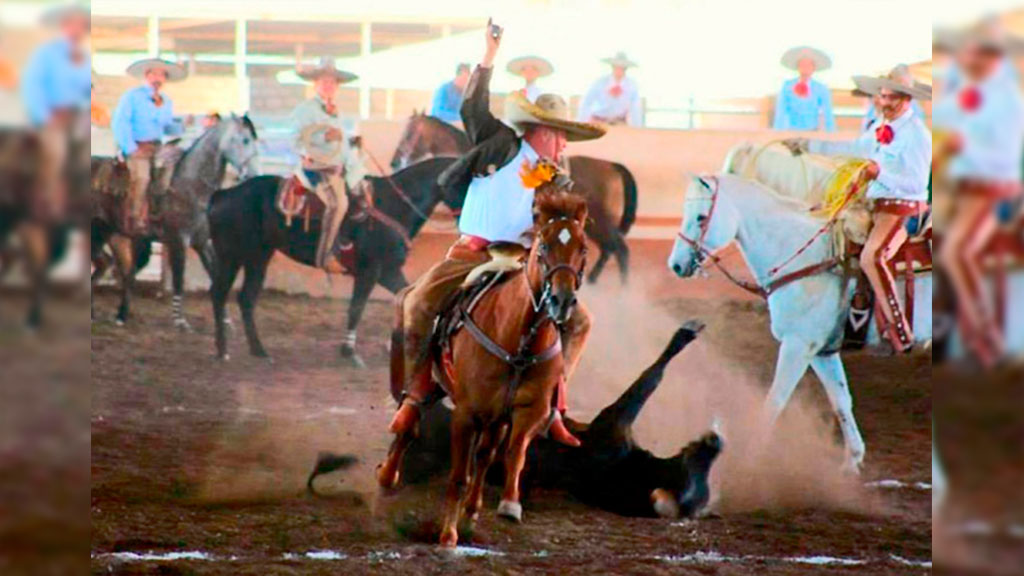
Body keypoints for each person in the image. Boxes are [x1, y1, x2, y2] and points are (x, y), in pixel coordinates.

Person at [388, 22, 606, 447]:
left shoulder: (555, 179)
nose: (564, 147)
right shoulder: (500, 142)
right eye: (562, 137)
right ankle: (415, 395)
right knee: (417, 305)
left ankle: (552, 404)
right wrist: (488, 56)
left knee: (578, 322)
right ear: (543, 132)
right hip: (474, 254)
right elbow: (472, 110)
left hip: (525, 265)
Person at [784, 64, 931, 353]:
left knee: (872, 257)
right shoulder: (882, 127)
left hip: (903, 210)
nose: (885, 103)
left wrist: (879, 174)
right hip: (877, 204)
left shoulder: (917, 134)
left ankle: (901, 333)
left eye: (892, 98)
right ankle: (848, 315)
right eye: (883, 96)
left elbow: (915, 183)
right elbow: (855, 147)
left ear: (907, 100)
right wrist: (809, 145)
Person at [936, 19, 1024, 367]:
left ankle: (983, 333)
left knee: (959, 252)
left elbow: (1002, 154)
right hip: (973, 186)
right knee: (953, 251)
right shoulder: (979, 94)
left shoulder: (1005, 100)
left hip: (992, 187)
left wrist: (960, 146)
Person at [289, 56, 369, 269]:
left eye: (333, 82)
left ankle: (346, 243)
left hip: (340, 168)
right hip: (317, 168)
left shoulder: (336, 111)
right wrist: (323, 139)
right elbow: (295, 140)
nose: (329, 86)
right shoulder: (304, 110)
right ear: (315, 84)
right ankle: (324, 256)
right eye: (324, 82)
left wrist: (351, 143)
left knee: (364, 193)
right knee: (338, 203)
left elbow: (336, 143)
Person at [19, 2, 91, 227]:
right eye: (72, 24)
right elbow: (32, 85)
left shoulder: (84, 57)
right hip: (51, 116)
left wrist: (83, 108)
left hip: (76, 116)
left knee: (89, 158)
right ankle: (46, 203)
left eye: (81, 25)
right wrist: (45, 115)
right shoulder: (46, 53)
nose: (76, 29)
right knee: (57, 152)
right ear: (64, 26)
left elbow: (86, 90)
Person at [111, 58, 186, 236]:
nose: (157, 78)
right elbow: (120, 122)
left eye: (162, 75)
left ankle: (159, 209)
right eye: (154, 74)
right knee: (142, 178)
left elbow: (167, 126)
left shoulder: (166, 101)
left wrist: (182, 125)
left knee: (174, 168)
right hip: (137, 145)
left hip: (156, 146)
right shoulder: (132, 96)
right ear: (147, 75)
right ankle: (134, 216)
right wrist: (130, 147)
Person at [773, 46, 836, 131]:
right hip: (791, 131)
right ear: (798, 67)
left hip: (812, 131)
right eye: (802, 65)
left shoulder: (821, 88)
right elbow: (781, 110)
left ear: (814, 68)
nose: (805, 68)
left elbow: (828, 112)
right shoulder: (787, 86)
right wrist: (778, 131)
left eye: (809, 65)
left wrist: (832, 133)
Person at [578, 51, 642, 126]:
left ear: (625, 69)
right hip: (598, 122)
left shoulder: (631, 85)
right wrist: (582, 122)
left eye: (622, 68)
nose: (619, 70)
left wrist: (637, 127)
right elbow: (586, 102)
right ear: (612, 67)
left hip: (619, 123)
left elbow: (635, 108)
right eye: (617, 67)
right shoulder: (600, 82)